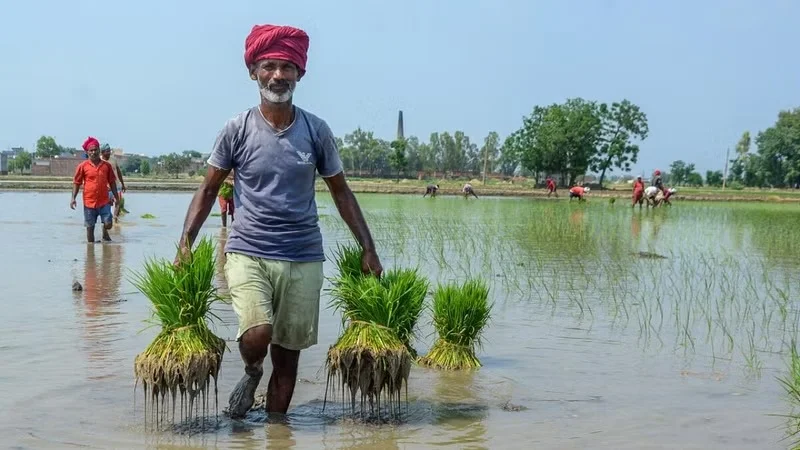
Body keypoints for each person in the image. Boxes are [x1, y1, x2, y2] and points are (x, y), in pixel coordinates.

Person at [172, 24, 383, 419]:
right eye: (269, 66)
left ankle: (276, 433)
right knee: (257, 334)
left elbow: (341, 191)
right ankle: (252, 370)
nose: (278, 75)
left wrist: (368, 247)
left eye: (287, 67)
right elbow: (207, 189)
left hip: (304, 255)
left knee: (287, 361)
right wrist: (185, 242)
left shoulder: (315, 131)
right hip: (249, 250)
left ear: (300, 74)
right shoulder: (237, 129)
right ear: (254, 71)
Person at [71, 137, 119, 242]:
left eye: (95, 149)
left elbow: (112, 182)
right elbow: (77, 183)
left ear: (99, 151)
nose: (93, 152)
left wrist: (116, 197)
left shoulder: (106, 166)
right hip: (89, 202)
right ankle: (90, 254)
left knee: (108, 224)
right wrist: (73, 198)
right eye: (91, 150)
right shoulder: (83, 166)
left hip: (104, 201)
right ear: (87, 152)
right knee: (90, 230)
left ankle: (104, 231)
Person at [101, 144, 127, 222]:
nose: (109, 153)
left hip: (116, 185)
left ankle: (115, 217)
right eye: (107, 151)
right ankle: (108, 220)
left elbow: (118, 171)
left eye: (109, 151)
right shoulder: (99, 161)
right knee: (107, 204)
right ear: (102, 152)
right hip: (105, 187)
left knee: (117, 202)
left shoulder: (113, 159)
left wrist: (122, 184)